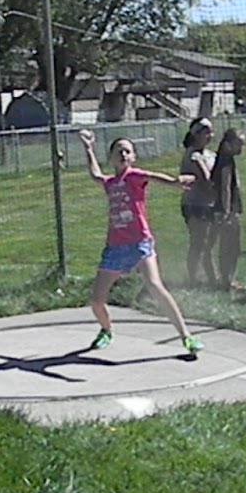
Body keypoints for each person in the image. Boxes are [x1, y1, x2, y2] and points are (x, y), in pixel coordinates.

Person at [77, 130, 201, 354]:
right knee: (96, 301)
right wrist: (88, 148)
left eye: (127, 151)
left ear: (133, 157)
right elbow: (96, 175)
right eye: (118, 151)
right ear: (111, 158)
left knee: (155, 285)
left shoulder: (134, 176)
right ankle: (106, 330)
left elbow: (153, 177)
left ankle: (186, 336)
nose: (123, 154)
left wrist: (174, 182)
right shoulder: (110, 182)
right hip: (115, 247)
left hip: (139, 242)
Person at [179, 117, 217, 284]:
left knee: (208, 244)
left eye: (210, 132)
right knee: (198, 243)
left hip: (209, 203)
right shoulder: (193, 155)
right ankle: (193, 279)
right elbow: (207, 179)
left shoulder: (209, 154)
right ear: (195, 134)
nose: (209, 135)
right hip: (195, 204)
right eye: (205, 132)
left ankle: (212, 278)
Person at [208, 127, 246, 290]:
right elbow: (225, 187)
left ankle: (226, 278)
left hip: (225, 209)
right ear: (228, 144)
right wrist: (227, 211)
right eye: (239, 144)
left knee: (228, 245)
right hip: (226, 210)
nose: (241, 148)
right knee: (230, 246)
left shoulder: (224, 159)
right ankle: (227, 280)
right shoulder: (225, 162)